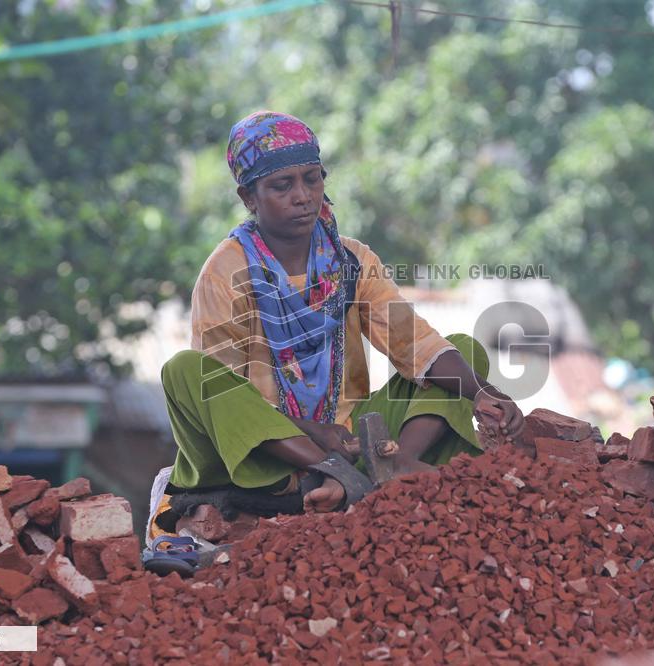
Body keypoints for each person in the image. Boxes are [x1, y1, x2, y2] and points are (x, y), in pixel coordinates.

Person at [144, 111, 524, 573]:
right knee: (186, 372)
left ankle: (397, 463)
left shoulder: (350, 260)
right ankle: (348, 480)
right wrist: (312, 436)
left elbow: (414, 342)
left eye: (311, 179)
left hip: (351, 436)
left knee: (462, 349)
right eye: (281, 186)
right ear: (249, 197)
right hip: (270, 456)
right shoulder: (226, 272)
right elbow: (231, 398)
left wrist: (486, 393)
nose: (302, 196)